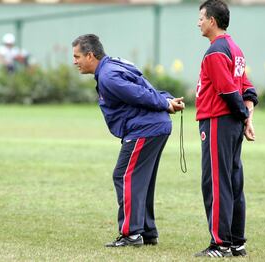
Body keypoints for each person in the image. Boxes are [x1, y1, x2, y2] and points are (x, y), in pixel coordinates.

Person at [72, 34, 185, 247]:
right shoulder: (115, 65)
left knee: (124, 175)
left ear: (90, 55)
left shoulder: (108, 76)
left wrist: (164, 102)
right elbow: (144, 87)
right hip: (155, 126)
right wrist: (166, 99)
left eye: (77, 56)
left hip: (145, 129)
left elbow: (140, 94)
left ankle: (131, 234)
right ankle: (147, 232)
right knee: (142, 180)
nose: (74, 61)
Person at [194, 0, 258, 257]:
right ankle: (236, 242)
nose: (198, 22)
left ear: (212, 20)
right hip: (230, 122)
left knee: (217, 183)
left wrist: (244, 116)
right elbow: (247, 89)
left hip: (217, 121)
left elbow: (229, 90)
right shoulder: (234, 48)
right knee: (233, 180)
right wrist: (247, 117)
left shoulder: (216, 51)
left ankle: (220, 244)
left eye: (201, 17)